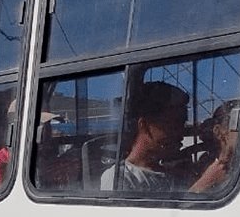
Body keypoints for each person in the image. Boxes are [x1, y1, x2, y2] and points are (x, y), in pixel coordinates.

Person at [99, 81, 232, 193]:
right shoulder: (119, 178)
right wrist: (203, 185)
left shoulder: (173, 172)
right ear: (144, 125)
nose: (181, 132)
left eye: (182, 124)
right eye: (172, 124)